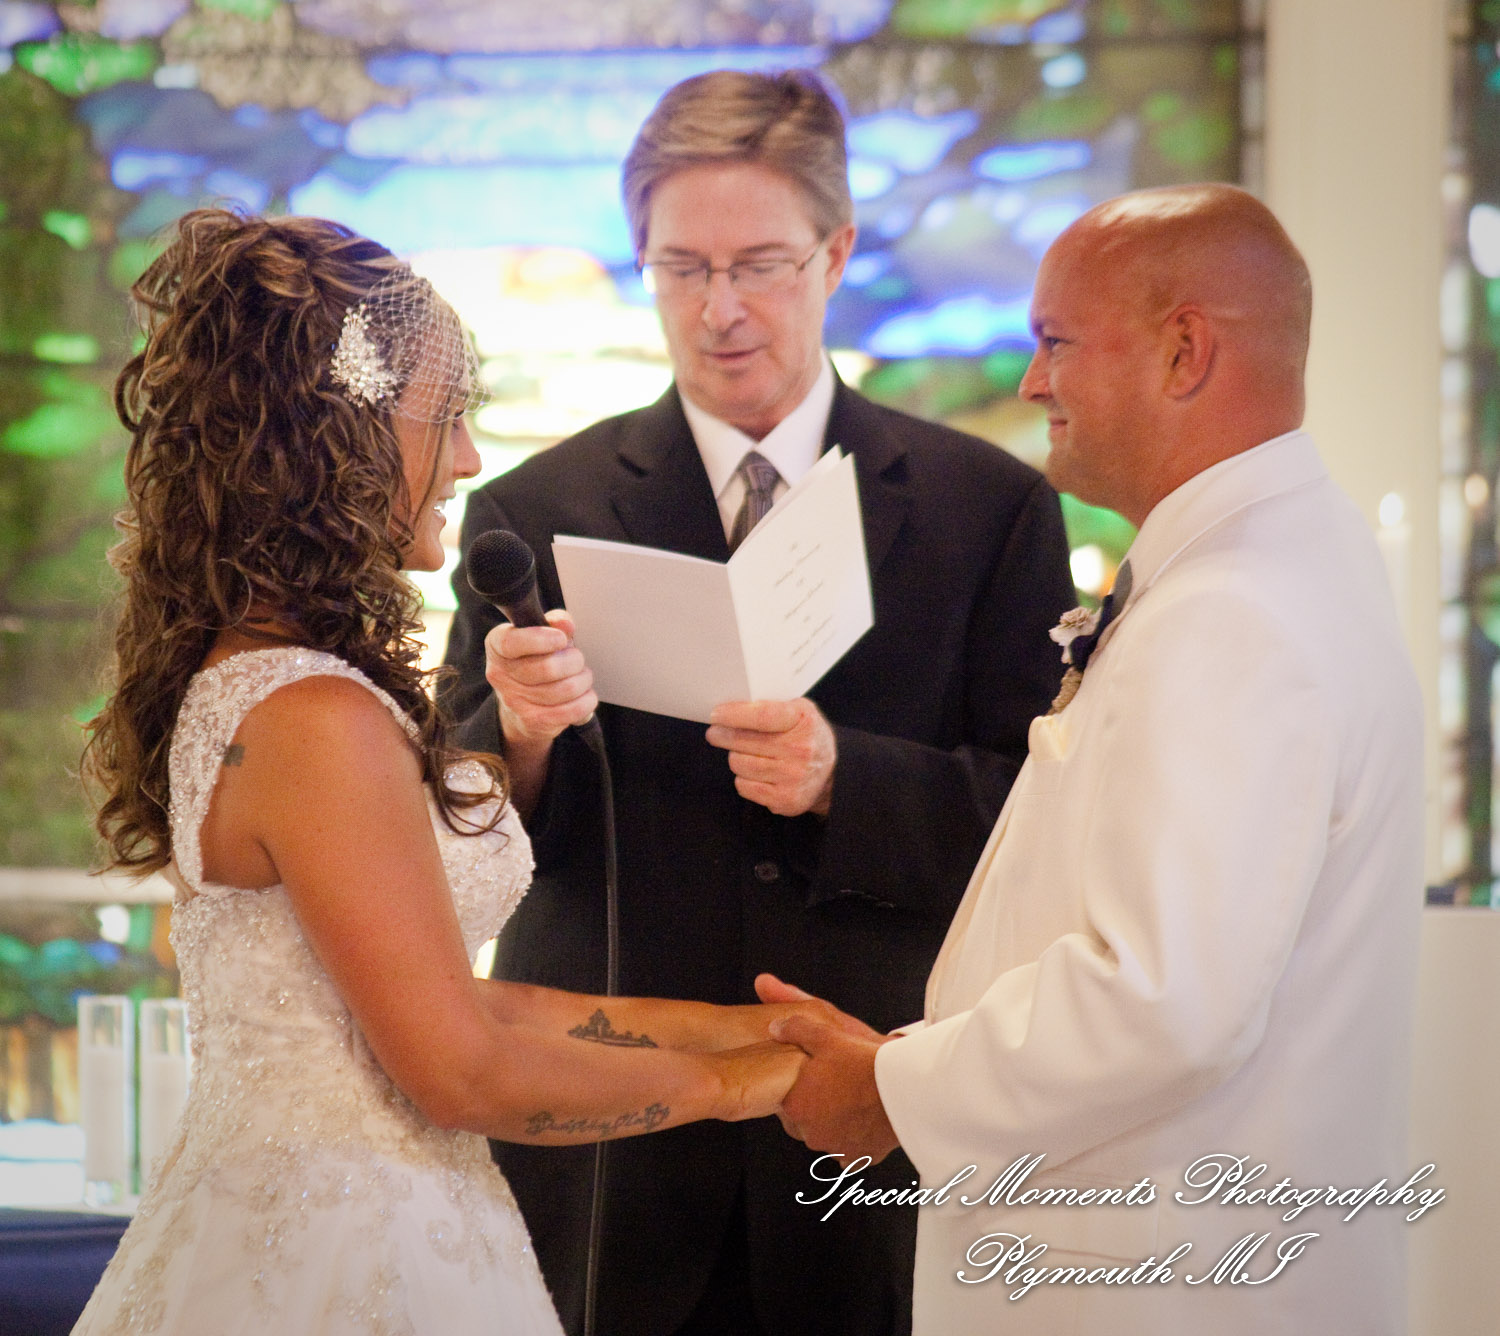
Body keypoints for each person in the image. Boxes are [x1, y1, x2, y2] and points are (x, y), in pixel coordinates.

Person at [73, 209, 812, 1336]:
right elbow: (459, 1069)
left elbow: (458, 1001)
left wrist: (738, 1032)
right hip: (340, 1253)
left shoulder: (263, 677)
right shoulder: (311, 714)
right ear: (337, 435)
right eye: (447, 419)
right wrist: (748, 1089)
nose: (467, 459)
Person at [441, 69, 1075, 1336]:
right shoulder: (532, 508)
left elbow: (1044, 819)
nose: (720, 310)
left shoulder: (986, 506)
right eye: (681, 268)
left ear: (836, 253)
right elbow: (459, 837)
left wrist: (852, 776)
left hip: (870, 1107)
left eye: (760, 263)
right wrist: (517, 736)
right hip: (613, 1127)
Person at [757, 183, 1426, 1335]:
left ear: (1183, 352)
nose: (1031, 383)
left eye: (1055, 341)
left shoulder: (1237, 612)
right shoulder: (1290, 557)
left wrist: (891, 1090)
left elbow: (1161, 1002)